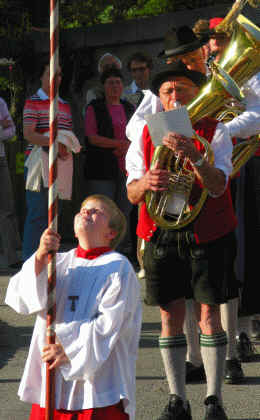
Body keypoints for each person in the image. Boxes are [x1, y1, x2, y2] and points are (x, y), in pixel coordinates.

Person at [126, 60, 236, 420]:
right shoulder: (144, 131)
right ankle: (177, 399)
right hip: (161, 231)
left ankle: (213, 399)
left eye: (182, 90)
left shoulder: (214, 131)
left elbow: (219, 186)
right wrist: (147, 185)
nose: (175, 97)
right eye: (168, 91)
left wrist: (195, 157)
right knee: (169, 315)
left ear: (195, 94)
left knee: (208, 315)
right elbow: (131, 192)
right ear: (159, 98)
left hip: (208, 230)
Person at [5, 194, 142, 420]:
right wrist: (39, 256)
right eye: (83, 208)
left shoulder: (119, 268)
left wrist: (68, 348)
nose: (86, 212)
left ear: (111, 233)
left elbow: (110, 323)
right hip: (52, 380)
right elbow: (22, 299)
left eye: (97, 211)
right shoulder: (57, 262)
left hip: (96, 386)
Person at [207, 16, 260, 383]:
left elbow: (258, 116)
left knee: (244, 253)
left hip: (243, 167)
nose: (217, 47)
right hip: (207, 170)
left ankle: (241, 331)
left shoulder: (249, 75)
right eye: (212, 42)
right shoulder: (194, 78)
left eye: (223, 41)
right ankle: (211, 348)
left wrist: (222, 128)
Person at [22, 55, 81, 262]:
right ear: (41, 77)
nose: (55, 78)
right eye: (50, 74)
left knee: (54, 216)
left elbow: (68, 134)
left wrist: (65, 146)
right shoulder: (33, 102)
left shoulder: (64, 105)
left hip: (60, 165)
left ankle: (48, 259)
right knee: (38, 214)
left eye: (59, 75)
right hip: (38, 167)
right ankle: (29, 261)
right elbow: (29, 134)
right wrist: (54, 143)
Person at [84, 67, 135, 256]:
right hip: (102, 169)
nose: (115, 86)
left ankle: (120, 251)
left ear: (123, 86)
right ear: (103, 86)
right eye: (110, 82)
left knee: (123, 212)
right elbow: (92, 137)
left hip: (127, 168)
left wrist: (127, 146)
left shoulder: (129, 107)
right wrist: (119, 144)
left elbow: (138, 134)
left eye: (118, 82)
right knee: (101, 212)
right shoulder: (94, 107)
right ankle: (99, 250)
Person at [0, 96, 22, 269]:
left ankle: (11, 257)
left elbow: (12, 131)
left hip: (1, 160)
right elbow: (5, 130)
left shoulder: (0, 102)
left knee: (7, 209)